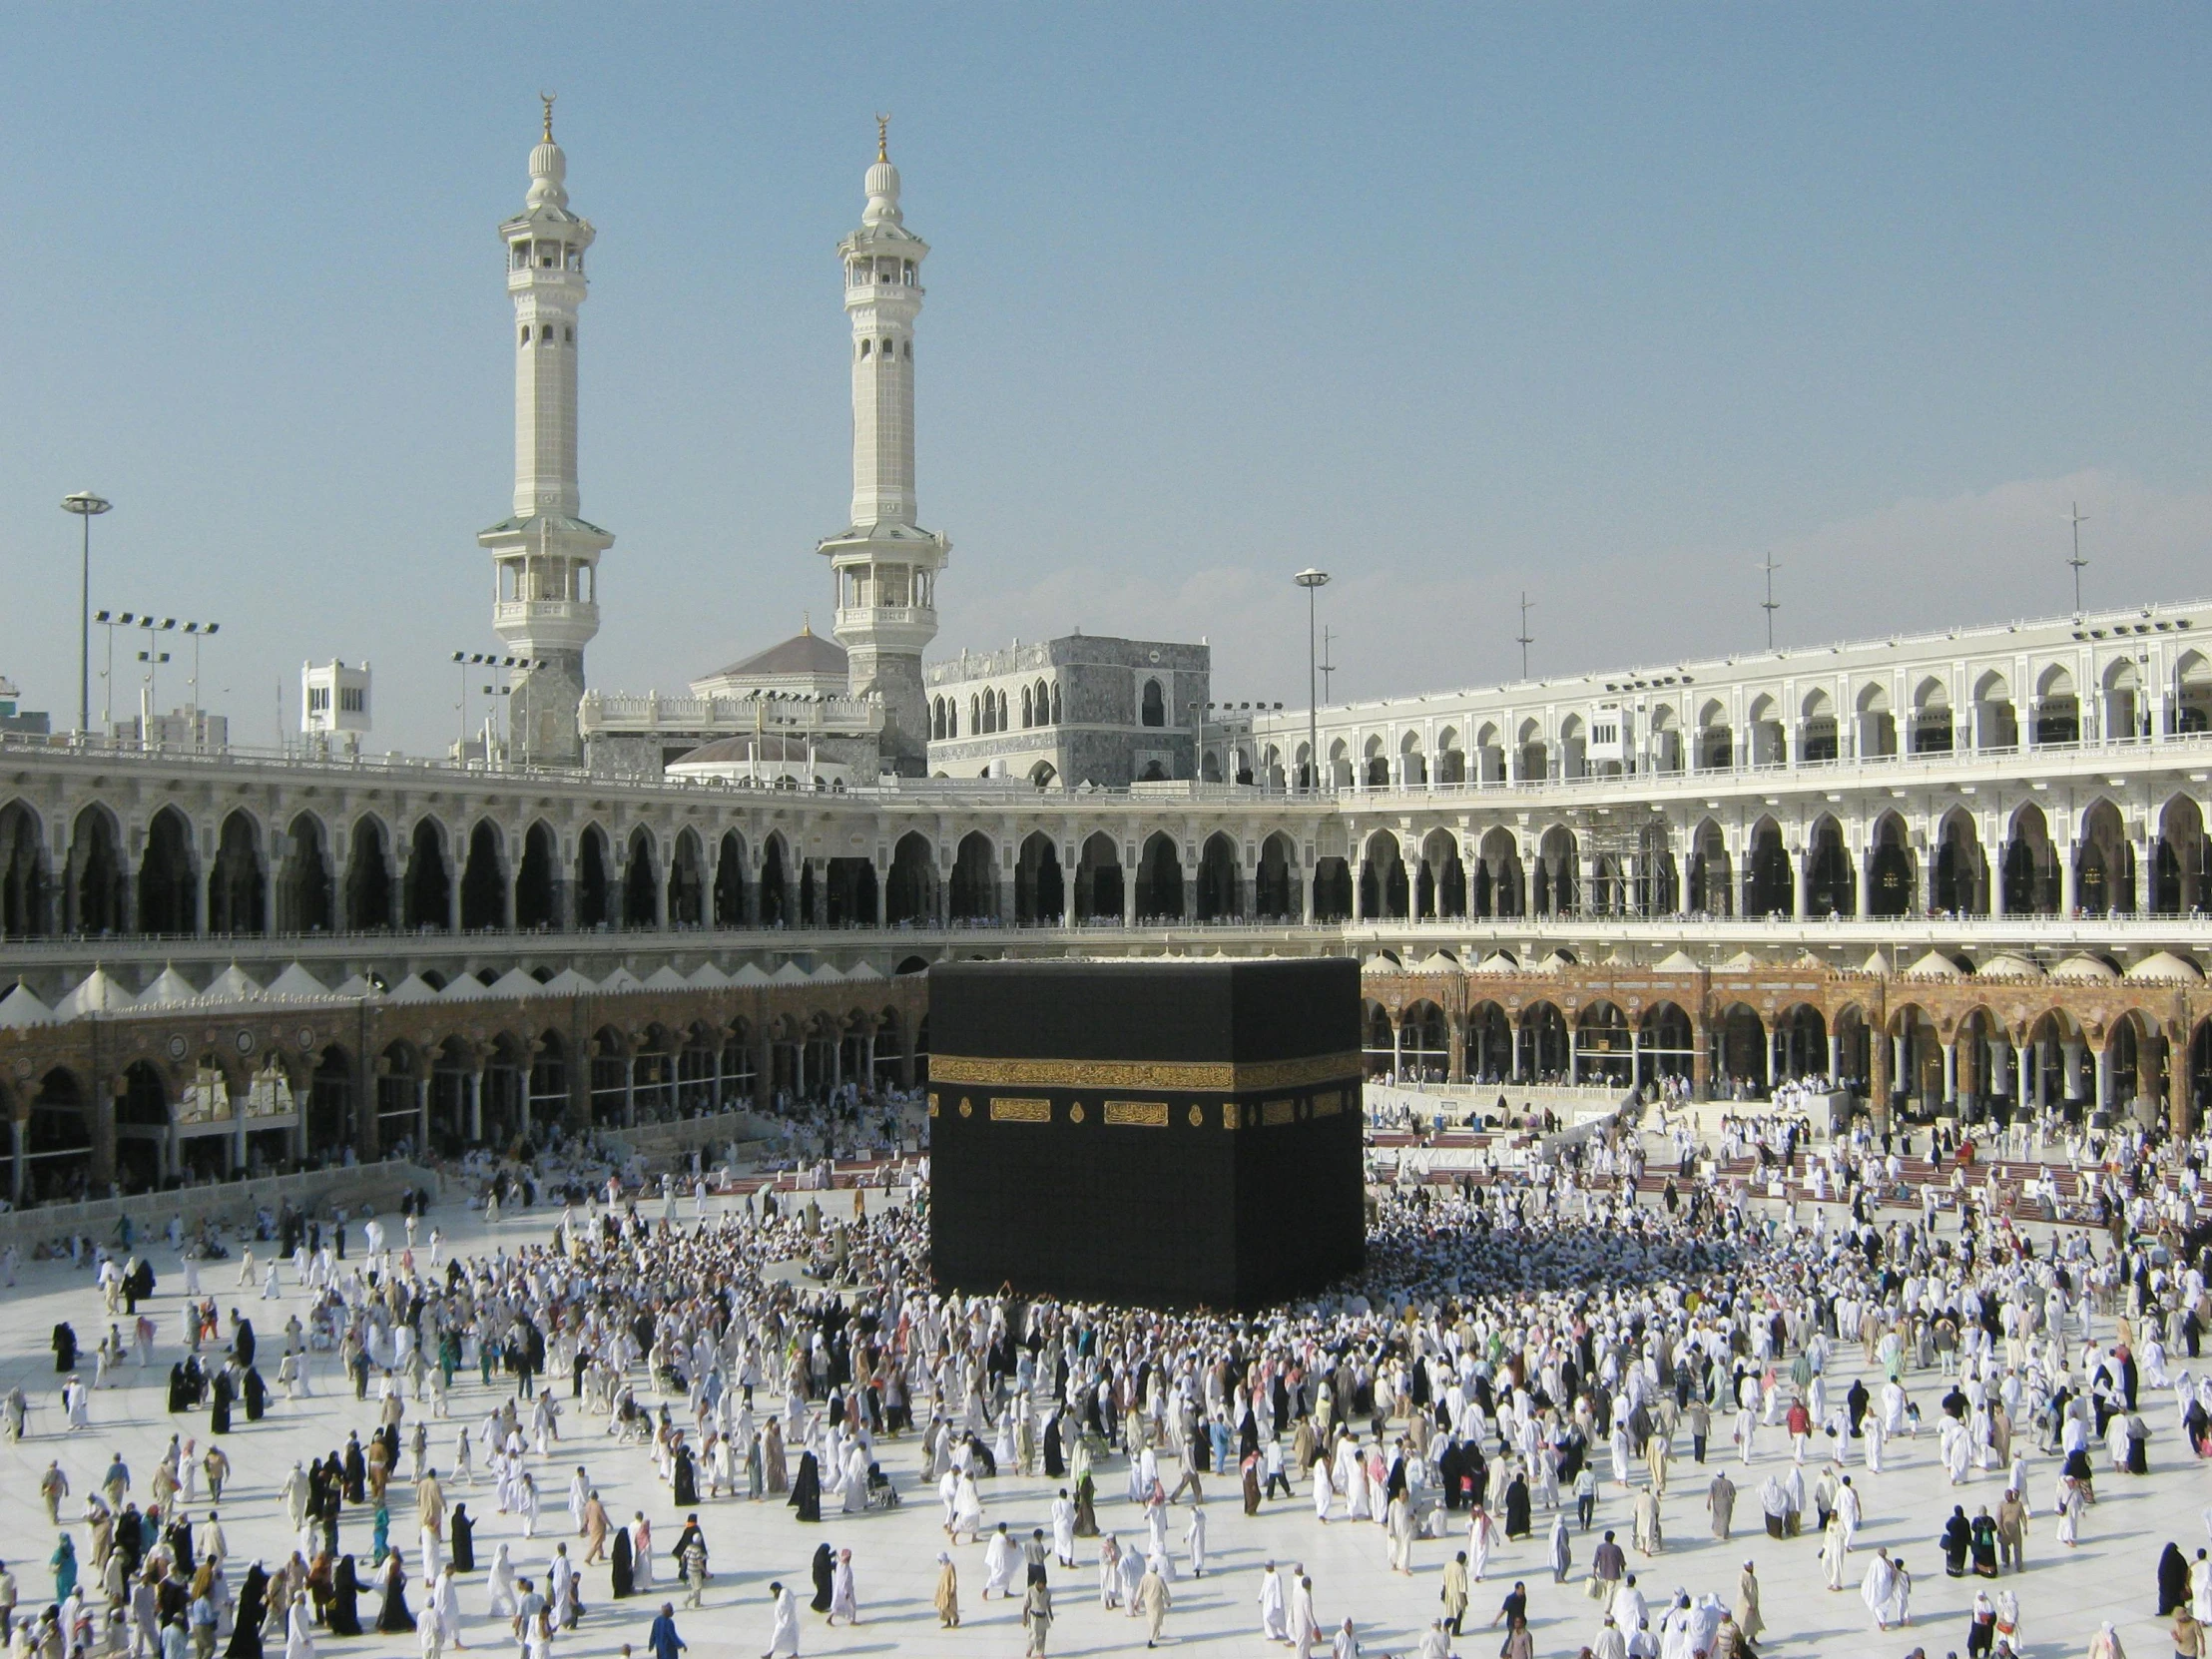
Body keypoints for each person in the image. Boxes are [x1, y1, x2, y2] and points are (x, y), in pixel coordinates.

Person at [1135, 1556, 1170, 1649]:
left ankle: (1155, 1633)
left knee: (1152, 1618)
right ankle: (1151, 1639)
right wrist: (1168, 1600)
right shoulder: (1159, 1579)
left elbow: (1140, 1590)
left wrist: (1136, 1601)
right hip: (1157, 1603)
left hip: (1148, 1602)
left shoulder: (1144, 1578)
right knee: (1156, 1619)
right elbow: (1165, 1591)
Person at [759, 1582, 799, 1659]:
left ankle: (770, 1653)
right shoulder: (785, 1592)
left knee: (777, 1636)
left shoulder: (784, 1596)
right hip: (790, 1620)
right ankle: (794, 1653)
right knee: (792, 1637)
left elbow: (782, 1607)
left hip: (785, 1621)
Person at [1019, 1578, 1052, 1657]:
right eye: (1043, 1585)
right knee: (1035, 1635)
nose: (1044, 1587)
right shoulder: (1030, 1591)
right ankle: (1030, 1647)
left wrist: (1050, 1615)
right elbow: (1026, 1606)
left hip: (1043, 1616)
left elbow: (1048, 1604)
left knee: (1042, 1635)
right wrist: (1024, 1618)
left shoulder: (1047, 1592)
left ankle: (1040, 1653)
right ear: (1038, 1584)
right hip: (1034, 1616)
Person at [932, 1552, 957, 1629]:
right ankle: (948, 1621)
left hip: (948, 1590)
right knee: (942, 1606)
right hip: (942, 1590)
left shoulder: (950, 1566)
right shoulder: (943, 1566)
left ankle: (956, 1618)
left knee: (946, 1606)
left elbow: (953, 1578)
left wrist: (952, 1589)